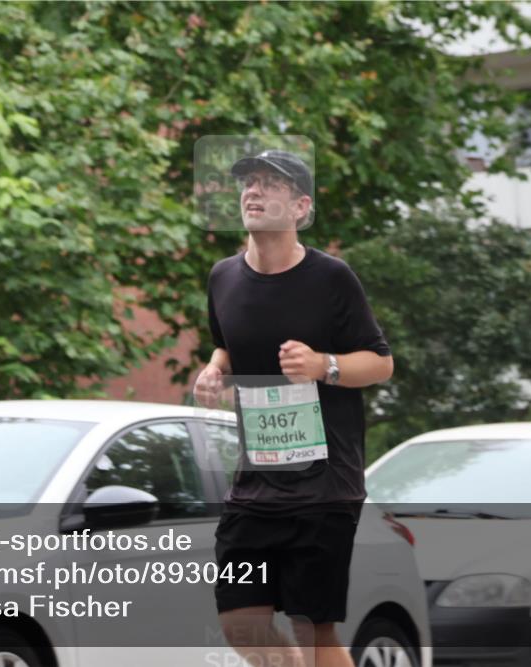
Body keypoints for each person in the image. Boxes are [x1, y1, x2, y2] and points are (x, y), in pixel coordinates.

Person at [194, 149, 394, 667]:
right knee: (242, 622)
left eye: (269, 184)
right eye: (248, 184)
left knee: (313, 631)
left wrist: (323, 365)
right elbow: (228, 343)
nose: (252, 192)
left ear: (301, 207)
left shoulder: (331, 278)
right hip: (256, 481)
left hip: (324, 481)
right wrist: (215, 369)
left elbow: (380, 364)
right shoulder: (223, 278)